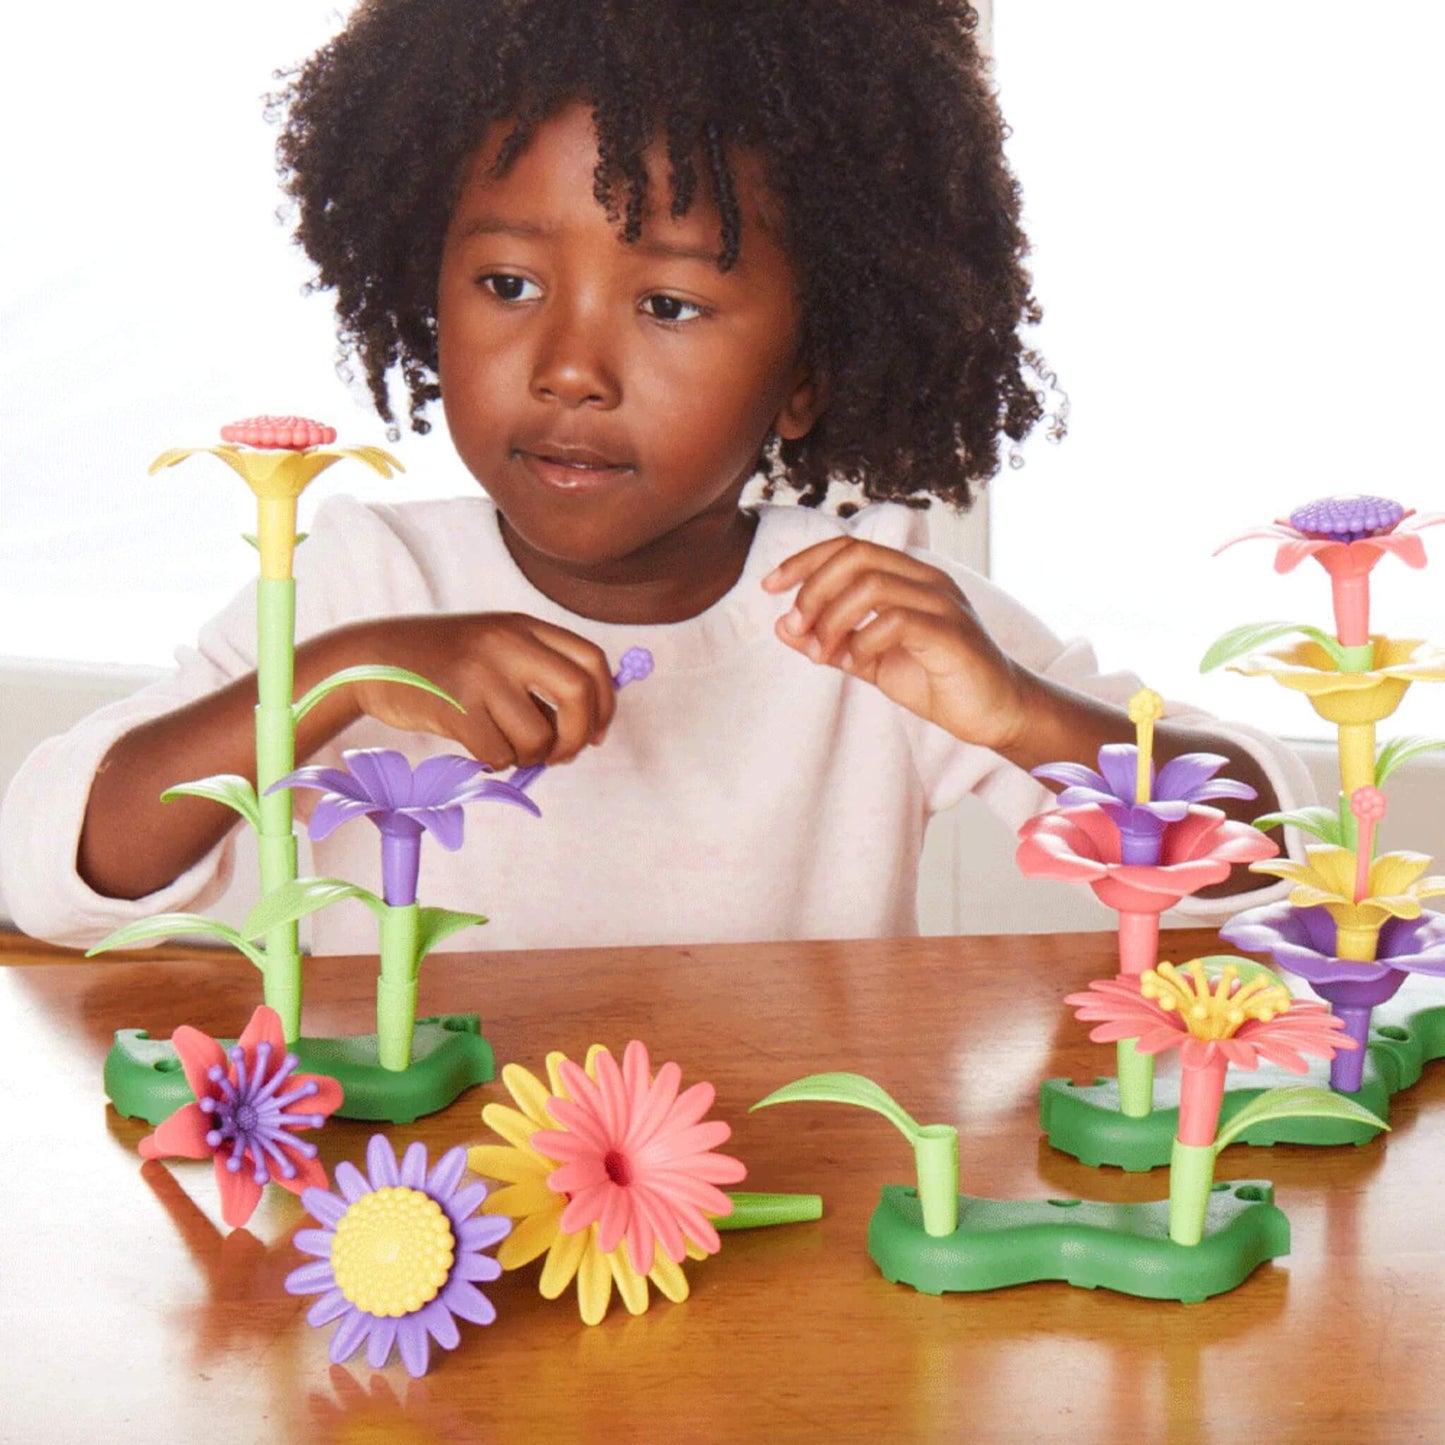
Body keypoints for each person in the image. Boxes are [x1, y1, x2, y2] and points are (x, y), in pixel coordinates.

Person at [0, 0, 1306, 954]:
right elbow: (50, 864)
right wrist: (340, 680)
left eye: (670, 304)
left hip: (772, 1247)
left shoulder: (870, 610)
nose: (570, 366)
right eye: (508, 284)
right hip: (407, 1251)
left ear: (810, 364)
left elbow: (1255, 858)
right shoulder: (359, 579)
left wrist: (1018, 711)